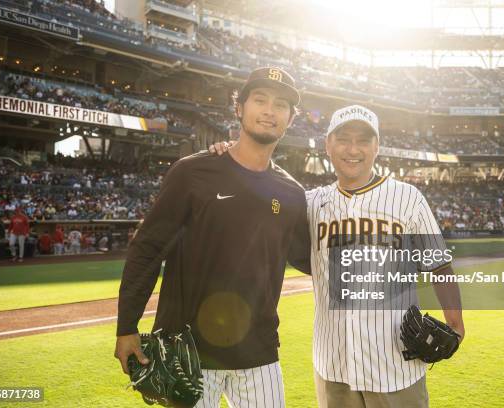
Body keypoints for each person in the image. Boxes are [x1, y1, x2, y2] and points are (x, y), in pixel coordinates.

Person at [211, 105, 465, 408]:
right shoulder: (309, 203)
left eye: (363, 140)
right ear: (328, 145)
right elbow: (258, 206)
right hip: (334, 369)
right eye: (343, 139)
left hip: (396, 366)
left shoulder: (408, 198)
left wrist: (456, 323)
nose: (352, 149)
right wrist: (236, 156)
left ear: (377, 147)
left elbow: (439, 263)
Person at [115, 67, 310, 408]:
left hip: (259, 354)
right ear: (239, 108)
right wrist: (126, 326)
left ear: (291, 118)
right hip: (187, 355)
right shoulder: (192, 173)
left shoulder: (292, 193)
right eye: (259, 100)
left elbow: (310, 258)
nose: (269, 110)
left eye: (281, 104)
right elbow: (147, 250)